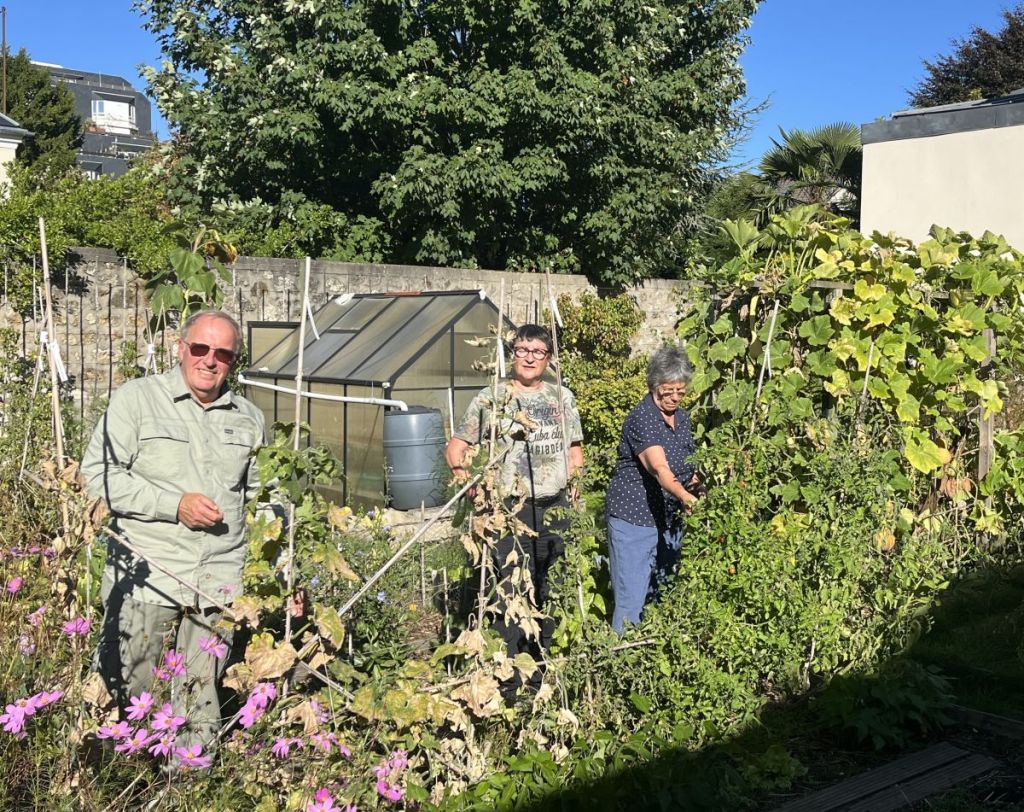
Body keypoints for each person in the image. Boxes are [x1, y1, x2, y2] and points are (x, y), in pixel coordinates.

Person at [81, 309, 266, 755]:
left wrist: (278, 567)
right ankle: (122, 787)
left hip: (217, 586)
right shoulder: (138, 400)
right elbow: (98, 475)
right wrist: (174, 506)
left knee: (199, 706)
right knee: (129, 699)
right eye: (200, 348)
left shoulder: (248, 418)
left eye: (223, 353)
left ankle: (189, 790)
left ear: (233, 361)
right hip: (151, 578)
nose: (210, 361)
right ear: (181, 349)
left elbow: (266, 502)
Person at [445, 324, 584, 695]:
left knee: (550, 588)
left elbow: (574, 450)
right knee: (509, 591)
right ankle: (509, 679)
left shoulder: (561, 398)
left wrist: (575, 484)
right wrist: (470, 485)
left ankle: (545, 670)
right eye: (523, 350)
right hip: (508, 510)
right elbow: (456, 448)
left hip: (554, 508)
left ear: (549, 360)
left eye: (538, 352)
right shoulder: (491, 398)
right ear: (512, 353)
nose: (529, 358)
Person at [606, 344, 699, 633]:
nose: (674, 397)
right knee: (631, 602)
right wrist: (685, 496)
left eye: (680, 391)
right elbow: (660, 469)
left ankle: (653, 658)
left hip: (669, 520)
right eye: (667, 391)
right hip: (634, 519)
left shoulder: (681, 418)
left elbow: (688, 464)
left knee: (663, 595)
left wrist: (698, 489)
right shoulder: (642, 418)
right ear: (654, 385)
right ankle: (619, 664)